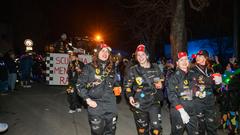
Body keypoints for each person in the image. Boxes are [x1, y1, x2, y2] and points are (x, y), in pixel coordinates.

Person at [76, 43, 118, 135]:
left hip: (111, 105)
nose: (105, 53)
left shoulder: (112, 68)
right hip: (95, 105)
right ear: (97, 53)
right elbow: (79, 85)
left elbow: (116, 83)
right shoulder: (89, 67)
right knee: (97, 132)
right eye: (102, 51)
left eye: (107, 51)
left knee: (110, 132)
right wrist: (88, 100)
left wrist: (118, 87)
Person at [124, 44, 164, 135]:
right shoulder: (133, 70)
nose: (140, 57)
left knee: (156, 129)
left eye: (142, 54)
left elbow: (159, 81)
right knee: (142, 130)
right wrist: (130, 97)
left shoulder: (155, 67)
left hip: (154, 101)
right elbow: (127, 86)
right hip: (139, 103)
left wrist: (160, 85)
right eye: (138, 55)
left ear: (147, 55)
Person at [191, 50, 222, 135]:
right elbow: (197, 81)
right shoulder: (192, 70)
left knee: (211, 125)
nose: (197, 58)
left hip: (210, 101)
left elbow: (215, 88)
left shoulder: (210, 70)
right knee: (200, 126)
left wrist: (218, 83)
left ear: (205, 58)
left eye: (200, 56)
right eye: (197, 56)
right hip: (198, 101)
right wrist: (211, 80)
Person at [167, 52, 198, 135]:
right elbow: (171, 94)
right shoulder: (173, 76)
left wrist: (199, 92)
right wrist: (181, 110)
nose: (184, 62)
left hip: (192, 110)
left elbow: (196, 88)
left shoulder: (193, 74)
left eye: (186, 59)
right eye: (181, 60)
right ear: (177, 63)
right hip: (179, 111)